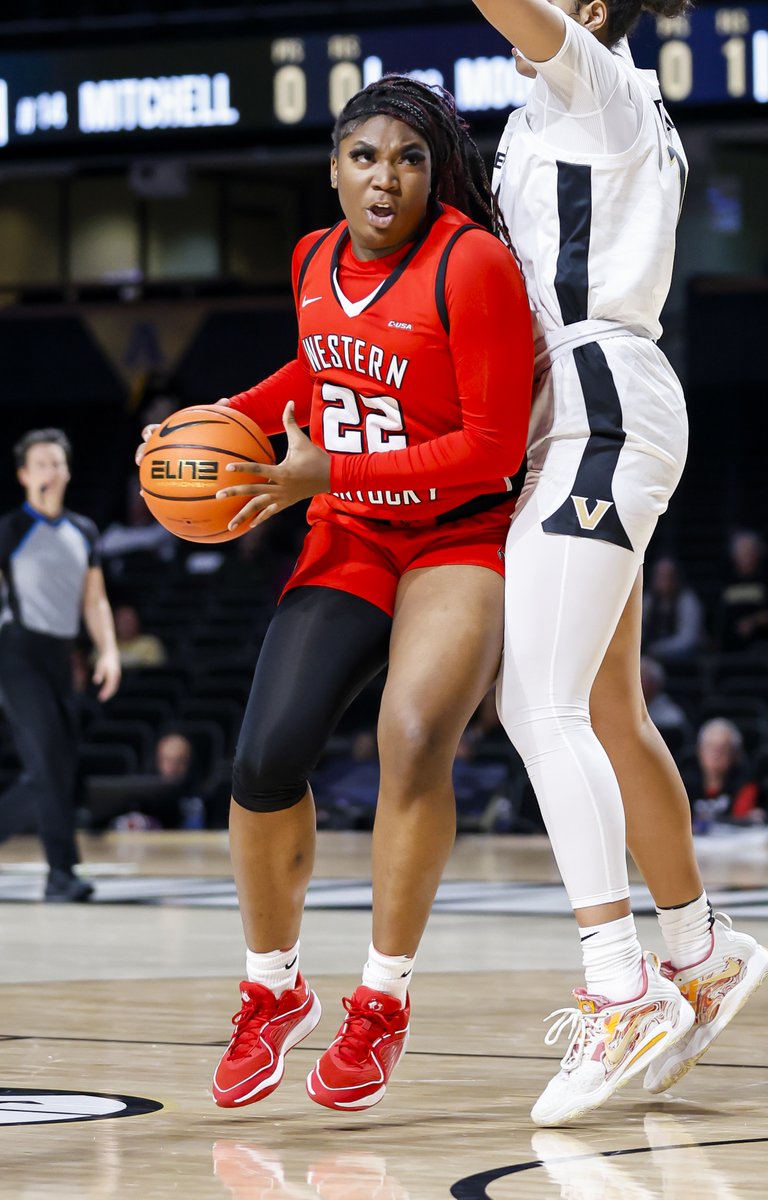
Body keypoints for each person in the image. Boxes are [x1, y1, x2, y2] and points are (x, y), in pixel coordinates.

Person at [137, 76, 533, 1111]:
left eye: (406, 157)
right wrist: (215, 416)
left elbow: (490, 451)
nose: (384, 177)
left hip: (454, 535)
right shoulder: (313, 258)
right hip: (350, 536)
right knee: (263, 759)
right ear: (332, 169)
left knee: (411, 736)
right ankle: (273, 990)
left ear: (433, 169)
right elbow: (314, 375)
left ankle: (381, 1002)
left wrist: (328, 477)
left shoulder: (472, 263)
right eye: (364, 157)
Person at [473, 0, 768, 1125]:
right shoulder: (568, 103)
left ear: (588, 11)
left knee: (533, 702)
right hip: (597, 406)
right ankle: (695, 952)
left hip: (596, 399)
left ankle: (618, 986)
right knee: (603, 709)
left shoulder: (593, 79)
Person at [0, 428, 121, 901]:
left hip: (59, 654)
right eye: (41, 464)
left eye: (57, 462)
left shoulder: (83, 531)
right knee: (48, 753)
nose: (51, 471)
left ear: (68, 471)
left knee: (56, 765)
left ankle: (58, 868)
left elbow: (96, 602)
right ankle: (62, 874)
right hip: (15, 651)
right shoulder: (10, 530)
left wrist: (108, 651)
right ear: (24, 475)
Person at [681, 718, 762, 832]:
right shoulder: (683, 785)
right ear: (700, 751)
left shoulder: (745, 785)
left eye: (722, 749)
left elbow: (741, 821)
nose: (715, 754)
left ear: (735, 754)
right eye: (710, 747)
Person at [715, 530, 768, 651]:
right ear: (734, 556)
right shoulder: (725, 581)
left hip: (762, 647)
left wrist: (753, 621)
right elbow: (717, 613)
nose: (746, 556)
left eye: (750, 551)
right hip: (727, 648)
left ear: (757, 553)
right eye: (742, 552)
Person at [642, 556, 705, 662]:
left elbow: (688, 639)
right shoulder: (648, 600)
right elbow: (639, 631)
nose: (664, 580)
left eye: (668, 576)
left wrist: (658, 649)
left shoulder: (687, 600)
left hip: (682, 656)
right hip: (651, 655)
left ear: (676, 577)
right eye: (660, 576)